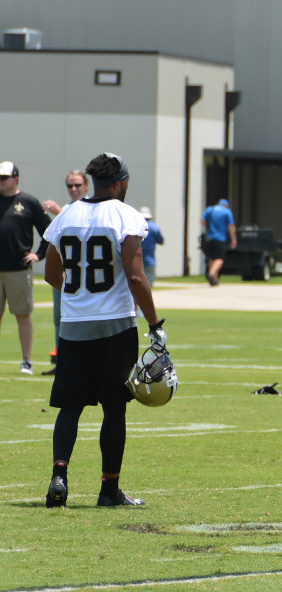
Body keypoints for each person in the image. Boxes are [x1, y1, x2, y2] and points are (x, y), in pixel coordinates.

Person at [42, 152, 167, 508]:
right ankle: (109, 490)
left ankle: (59, 476)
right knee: (114, 408)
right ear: (118, 183)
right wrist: (155, 324)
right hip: (115, 327)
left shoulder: (68, 213)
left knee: (70, 408)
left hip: (73, 328)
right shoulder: (125, 215)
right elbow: (135, 276)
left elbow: (52, 274)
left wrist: (79, 298)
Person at [0, 161, 52, 375]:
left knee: (22, 315)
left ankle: (26, 361)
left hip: (18, 270)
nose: (1, 182)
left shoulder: (28, 201)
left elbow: (49, 231)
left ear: (16, 179)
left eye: (4, 178)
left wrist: (38, 255)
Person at [40, 169, 90, 375]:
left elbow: (83, 230)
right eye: (70, 185)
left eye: (78, 185)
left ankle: (82, 363)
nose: (74, 189)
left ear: (86, 186)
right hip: (63, 274)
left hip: (82, 277)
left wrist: (59, 213)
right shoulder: (69, 207)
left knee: (83, 319)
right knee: (60, 319)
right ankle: (62, 362)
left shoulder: (90, 207)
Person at [200, 199, 237, 285]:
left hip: (209, 238)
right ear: (226, 205)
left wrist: (209, 227)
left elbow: (202, 221)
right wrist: (233, 239)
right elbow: (231, 226)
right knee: (220, 258)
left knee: (211, 257)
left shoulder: (209, 209)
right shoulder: (227, 212)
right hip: (220, 238)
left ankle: (214, 279)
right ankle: (211, 273)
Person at [138, 207, 164, 287]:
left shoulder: (135, 227)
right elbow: (161, 241)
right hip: (149, 260)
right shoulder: (154, 227)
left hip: (136, 260)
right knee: (148, 287)